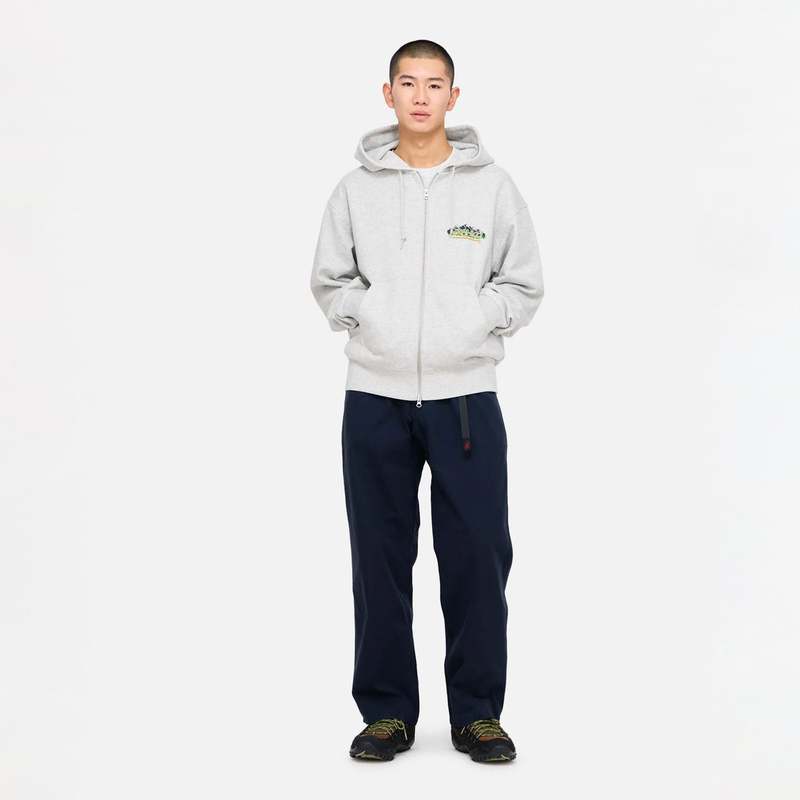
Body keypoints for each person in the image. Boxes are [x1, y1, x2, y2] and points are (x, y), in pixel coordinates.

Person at [309, 39, 544, 763]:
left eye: (433, 84)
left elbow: (522, 282)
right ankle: (386, 714)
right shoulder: (355, 190)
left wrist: (475, 322)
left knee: (478, 555)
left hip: (465, 396)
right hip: (374, 397)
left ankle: (478, 714)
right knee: (378, 559)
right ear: (388, 94)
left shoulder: (492, 187)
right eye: (407, 83)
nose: (420, 96)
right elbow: (330, 280)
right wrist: (369, 319)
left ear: (453, 96)